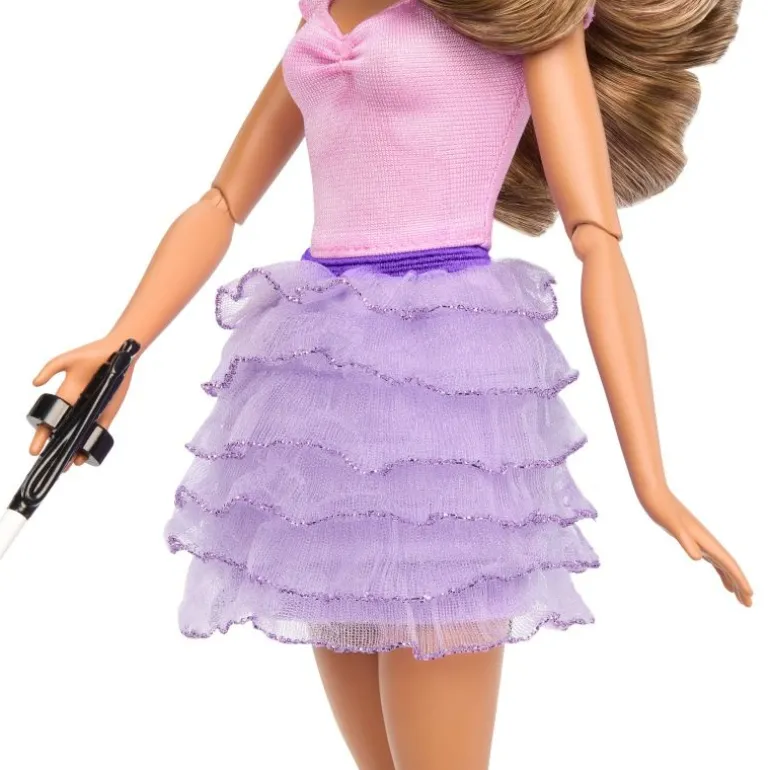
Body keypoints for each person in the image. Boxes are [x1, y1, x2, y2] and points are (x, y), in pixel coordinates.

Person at [29, 1, 753, 768]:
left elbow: (597, 240)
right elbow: (223, 201)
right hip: (323, 395)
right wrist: (122, 346)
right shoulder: (323, 8)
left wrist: (653, 481)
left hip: (444, 392)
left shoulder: (528, 14)